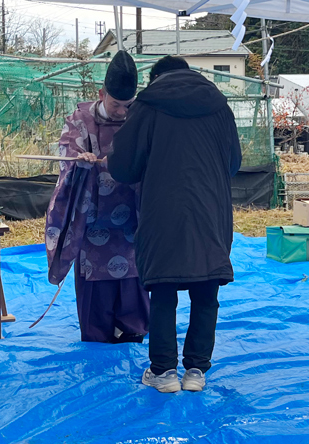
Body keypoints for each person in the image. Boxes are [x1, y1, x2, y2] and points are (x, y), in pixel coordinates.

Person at [107, 55, 242, 392]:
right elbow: (234, 163)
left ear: (155, 79)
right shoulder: (219, 106)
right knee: (206, 289)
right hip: (211, 210)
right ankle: (196, 371)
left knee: (164, 289)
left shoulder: (148, 106)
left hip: (163, 211)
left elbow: (123, 167)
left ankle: (164, 372)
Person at [44, 51, 149, 344]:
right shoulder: (80, 118)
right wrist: (80, 159)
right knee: (95, 278)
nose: (122, 112)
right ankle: (98, 332)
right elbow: (67, 153)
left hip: (131, 212)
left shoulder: (139, 117)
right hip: (92, 216)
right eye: (116, 104)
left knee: (133, 272)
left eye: (128, 105)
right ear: (101, 94)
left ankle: (132, 329)